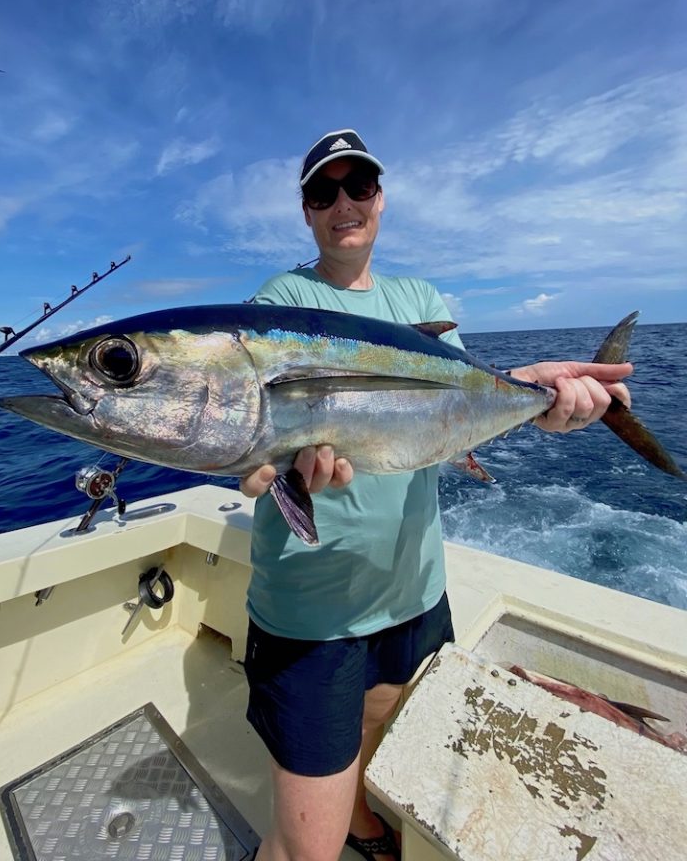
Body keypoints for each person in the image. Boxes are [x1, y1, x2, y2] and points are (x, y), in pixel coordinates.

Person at [239, 129, 633, 861]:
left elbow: (456, 406)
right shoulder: (283, 300)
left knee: (381, 729)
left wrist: (535, 397)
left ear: (381, 200)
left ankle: (366, 825)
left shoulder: (418, 297)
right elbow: (257, 432)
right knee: (304, 850)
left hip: (413, 590)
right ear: (307, 212)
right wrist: (260, 462)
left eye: (359, 187)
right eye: (324, 192)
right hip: (313, 609)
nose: (344, 203)